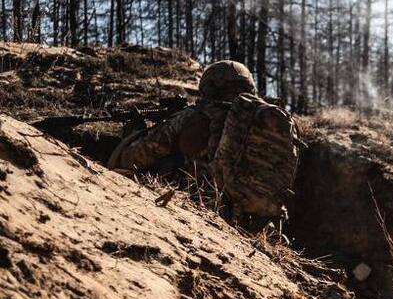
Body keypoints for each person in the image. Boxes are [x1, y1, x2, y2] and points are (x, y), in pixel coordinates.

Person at [108, 60, 301, 229]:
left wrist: (134, 133)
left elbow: (134, 159)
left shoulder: (194, 116)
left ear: (208, 87)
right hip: (261, 225)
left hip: (205, 213)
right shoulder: (272, 122)